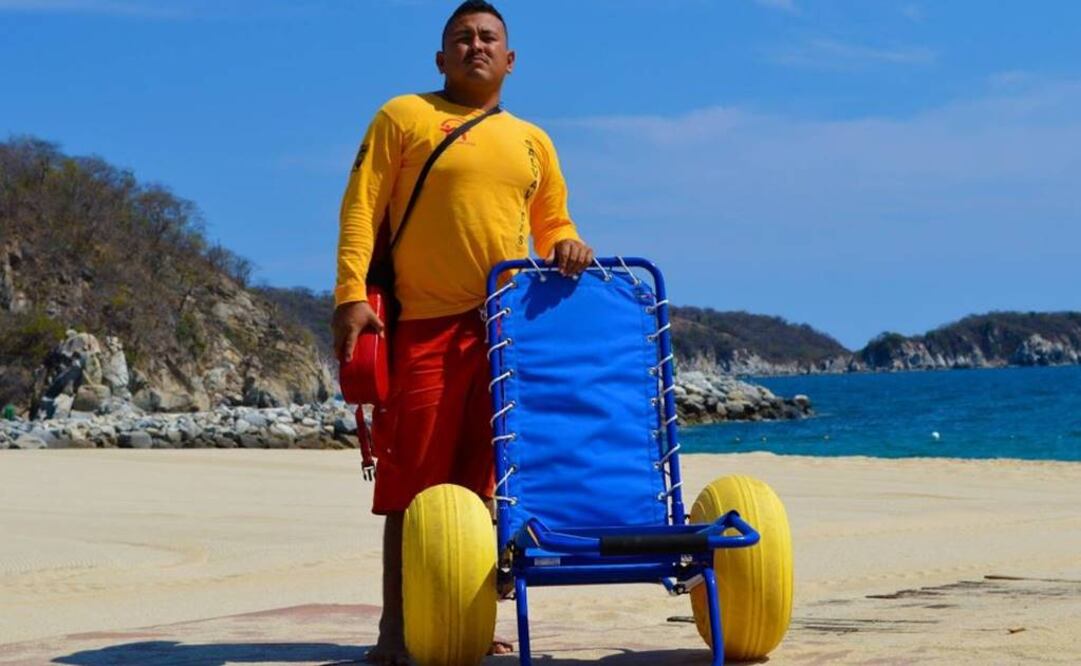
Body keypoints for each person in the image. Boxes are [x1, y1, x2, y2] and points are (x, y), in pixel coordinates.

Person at [331, 2, 593, 663]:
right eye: (461, 38)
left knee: (485, 483)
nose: (474, 46)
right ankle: (395, 631)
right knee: (409, 483)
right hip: (421, 327)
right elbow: (360, 207)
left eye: (487, 38)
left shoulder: (534, 140)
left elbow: (552, 223)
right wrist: (348, 297)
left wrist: (568, 246)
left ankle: (467, 622)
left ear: (509, 59)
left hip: (507, 334)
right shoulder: (403, 116)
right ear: (440, 58)